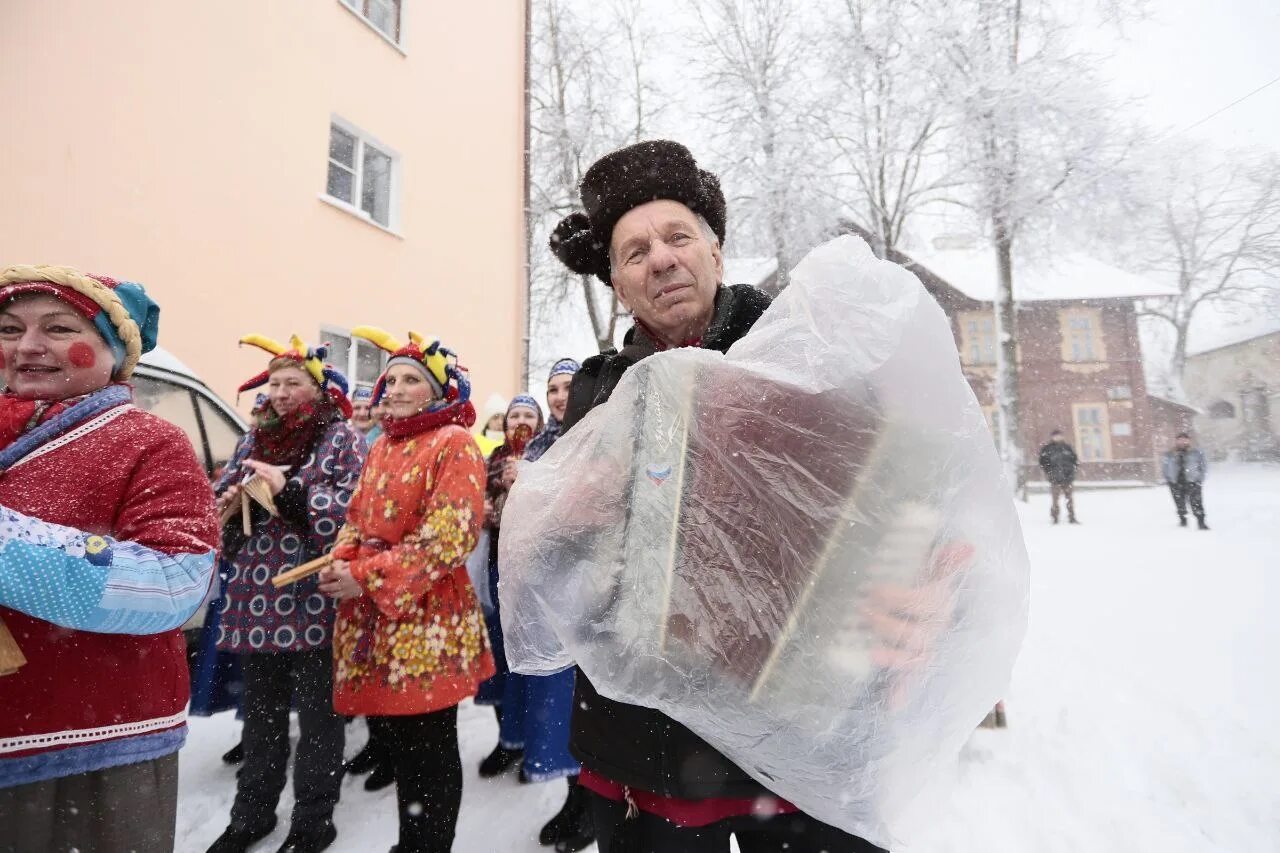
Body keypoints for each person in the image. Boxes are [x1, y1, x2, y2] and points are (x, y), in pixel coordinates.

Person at [546, 141, 886, 852]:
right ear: (616, 282)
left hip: (796, 727)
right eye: (634, 251)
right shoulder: (597, 389)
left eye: (677, 237)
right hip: (649, 736)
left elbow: (889, 502)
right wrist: (564, 525)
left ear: (717, 253)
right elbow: (571, 557)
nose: (661, 259)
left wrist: (911, 587)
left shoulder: (801, 355)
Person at [0, 265, 219, 852]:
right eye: (7, 328)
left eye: (57, 327)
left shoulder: (149, 442)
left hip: (84, 747)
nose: (27, 346)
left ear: (113, 351)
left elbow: (174, 583)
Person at [321, 326, 494, 853]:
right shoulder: (383, 447)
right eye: (389, 378)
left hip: (428, 622)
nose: (392, 387)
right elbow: (356, 518)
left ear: (438, 390)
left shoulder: (454, 443)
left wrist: (368, 577)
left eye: (409, 380)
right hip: (376, 620)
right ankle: (412, 841)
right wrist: (341, 561)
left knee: (430, 746)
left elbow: (449, 536)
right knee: (398, 743)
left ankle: (429, 844)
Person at [206, 334, 366, 853]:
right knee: (262, 721)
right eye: (274, 382)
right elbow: (225, 506)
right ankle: (250, 816)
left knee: (321, 724)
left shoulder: (341, 437)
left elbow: (356, 515)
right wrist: (229, 505)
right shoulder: (254, 438)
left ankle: (313, 822)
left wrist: (288, 491)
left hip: (313, 598)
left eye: (291, 382)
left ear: (315, 390)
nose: (279, 391)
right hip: (256, 599)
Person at [494, 359, 595, 851]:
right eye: (552, 389)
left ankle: (592, 804)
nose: (558, 397)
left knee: (590, 704)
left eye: (568, 386)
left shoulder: (595, 433)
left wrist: (534, 488)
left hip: (588, 595)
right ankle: (578, 796)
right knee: (558, 704)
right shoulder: (538, 443)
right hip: (548, 594)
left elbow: (590, 509)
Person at [474, 395, 545, 779]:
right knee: (500, 658)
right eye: (514, 415)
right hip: (495, 566)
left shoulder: (547, 453)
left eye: (528, 415)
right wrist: (484, 506)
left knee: (530, 661)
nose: (521, 420)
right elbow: (478, 501)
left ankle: (534, 742)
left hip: (531, 573)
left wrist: (528, 480)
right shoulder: (494, 457)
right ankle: (507, 738)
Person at [1162, 432, 1209, 530]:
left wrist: (1200, 479)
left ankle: (1201, 522)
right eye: (1180, 439)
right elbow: (1165, 467)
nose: (1182, 442)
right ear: (1176, 441)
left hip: (1193, 481)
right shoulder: (1170, 454)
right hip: (1176, 482)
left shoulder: (1196, 452)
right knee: (1179, 502)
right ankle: (1183, 520)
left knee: (1196, 502)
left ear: (1188, 441)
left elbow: (1203, 466)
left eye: (1184, 439)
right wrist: (1168, 479)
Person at [1037, 429, 1079, 524]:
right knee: (1055, 500)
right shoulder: (1047, 449)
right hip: (1054, 479)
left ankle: (1072, 517)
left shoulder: (1068, 448)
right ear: (1052, 437)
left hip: (1068, 478)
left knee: (1069, 499)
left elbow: (1075, 461)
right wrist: (1049, 472)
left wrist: (1072, 472)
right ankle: (1055, 517)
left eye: (1059, 435)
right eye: (1056, 436)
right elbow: (1043, 462)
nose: (1058, 437)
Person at [474, 392, 509, 458]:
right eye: (495, 418)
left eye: (503, 418)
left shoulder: (512, 443)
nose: (500, 422)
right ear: (487, 422)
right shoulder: (476, 442)